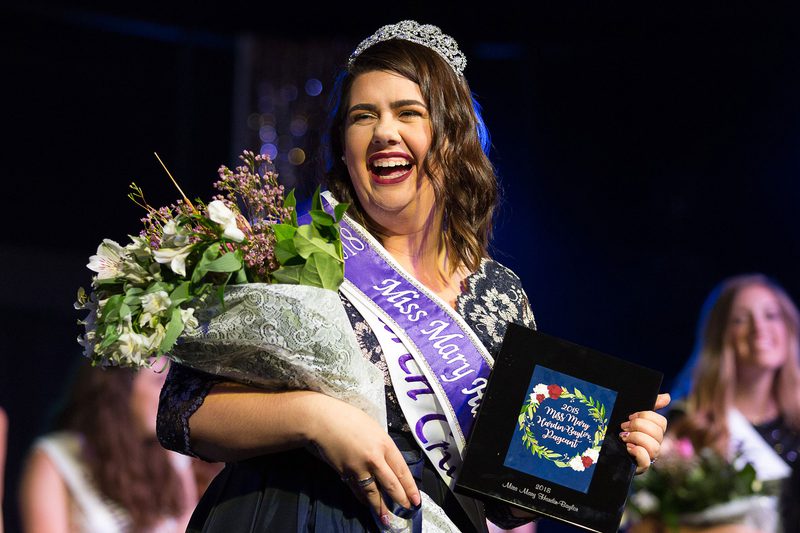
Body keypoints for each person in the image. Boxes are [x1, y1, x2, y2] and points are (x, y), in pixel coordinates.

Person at [156, 20, 669, 532]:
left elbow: (507, 504)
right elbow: (183, 412)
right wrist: (315, 419)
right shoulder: (296, 250)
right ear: (343, 144)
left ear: (451, 137)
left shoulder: (501, 295)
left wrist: (604, 451)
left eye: (408, 113)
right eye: (363, 116)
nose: (383, 132)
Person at [634, 274, 800, 532]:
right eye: (741, 319)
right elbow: (644, 522)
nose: (759, 328)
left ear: (789, 328)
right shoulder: (690, 423)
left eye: (771, 315)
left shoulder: (796, 426)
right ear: (720, 335)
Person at [19, 360, 199, 532]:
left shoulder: (171, 455)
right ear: (122, 389)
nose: (171, 396)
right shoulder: (55, 458)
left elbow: (185, 525)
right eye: (159, 381)